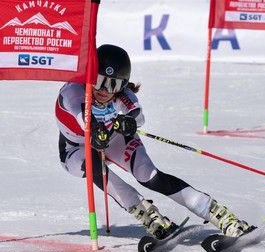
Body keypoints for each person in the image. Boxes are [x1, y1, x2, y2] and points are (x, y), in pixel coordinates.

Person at [55, 44, 253, 239]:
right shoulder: (73, 90)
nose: (104, 90)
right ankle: (149, 216)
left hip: (114, 139)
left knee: (151, 177)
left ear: (122, 85)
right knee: (92, 164)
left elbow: (138, 116)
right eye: (98, 81)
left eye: (113, 84)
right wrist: (95, 130)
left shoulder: (123, 95)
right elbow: (84, 116)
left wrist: (128, 122)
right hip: (75, 150)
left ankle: (221, 216)